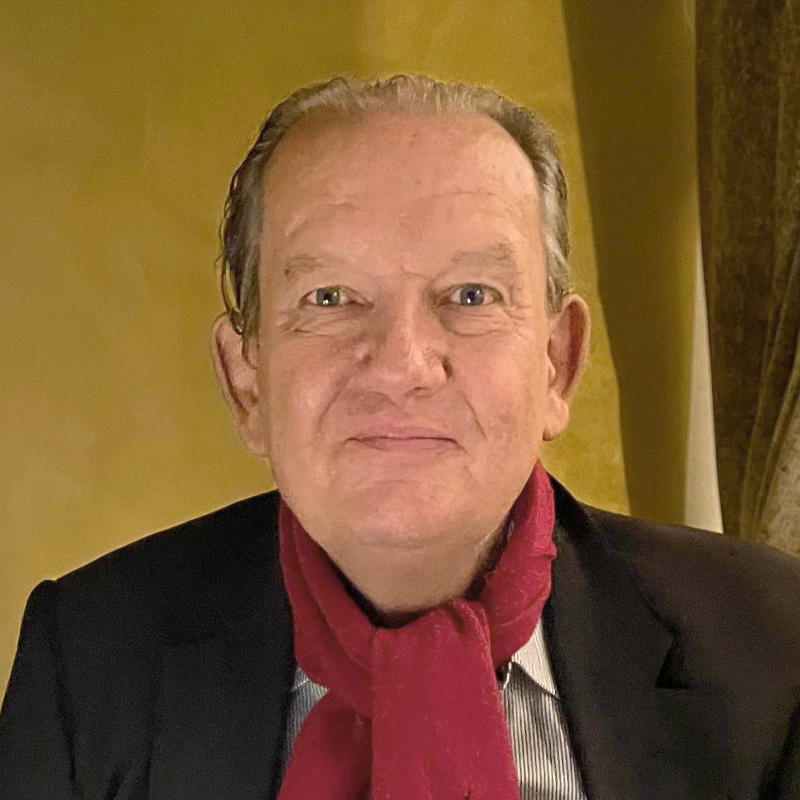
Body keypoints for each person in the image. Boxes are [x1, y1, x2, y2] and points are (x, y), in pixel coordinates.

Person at [1, 74, 799, 800]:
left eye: (471, 294)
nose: (402, 366)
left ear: (556, 365)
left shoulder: (775, 646)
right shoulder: (88, 664)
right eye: (330, 297)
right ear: (247, 382)